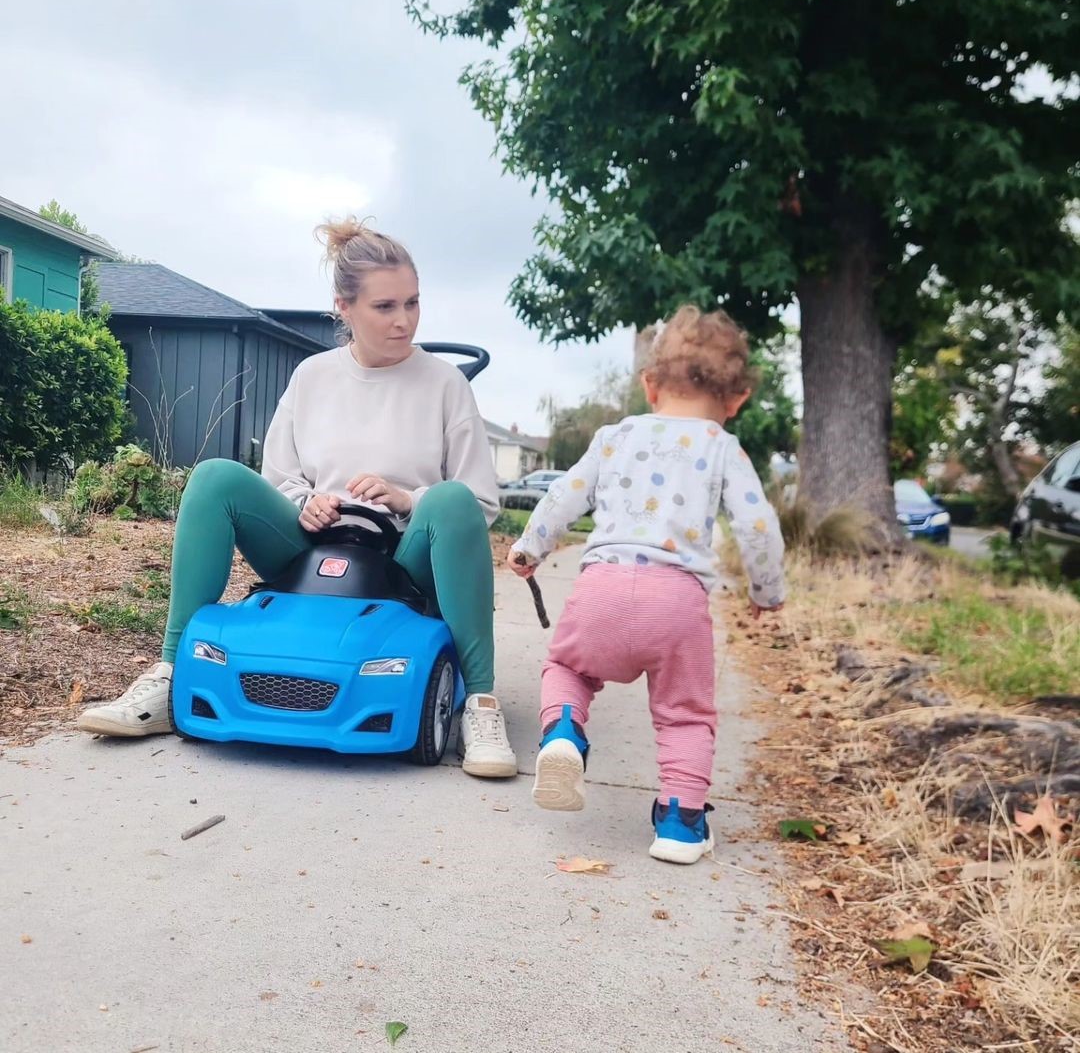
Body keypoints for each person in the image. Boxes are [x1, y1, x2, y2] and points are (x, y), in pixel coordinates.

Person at [78, 218, 518, 779]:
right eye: (385, 306)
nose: (404, 320)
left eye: (412, 303)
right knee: (214, 476)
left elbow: (478, 503)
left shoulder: (445, 385)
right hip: (311, 550)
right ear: (345, 307)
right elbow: (280, 476)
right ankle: (168, 678)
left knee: (450, 499)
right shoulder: (312, 376)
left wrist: (409, 499)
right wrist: (305, 501)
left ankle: (479, 705)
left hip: (404, 562)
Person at [508, 305, 785, 863]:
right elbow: (758, 526)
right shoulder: (721, 446)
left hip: (602, 588)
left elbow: (565, 495)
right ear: (737, 401)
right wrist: (766, 593)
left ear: (650, 385)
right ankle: (680, 825)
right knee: (685, 710)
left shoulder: (615, 436)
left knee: (568, 668)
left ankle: (563, 732)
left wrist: (529, 546)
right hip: (676, 602)